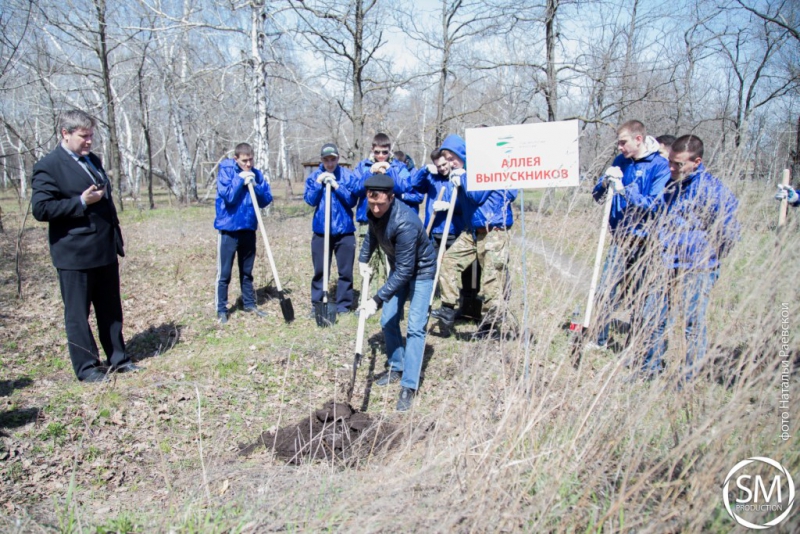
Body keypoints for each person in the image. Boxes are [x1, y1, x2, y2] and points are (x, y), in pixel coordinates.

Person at [31, 109, 140, 383]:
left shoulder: (92, 160)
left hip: (103, 248)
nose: (89, 141)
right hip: (74, 253)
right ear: (65, 134)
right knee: (78, 315)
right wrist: (80, 202)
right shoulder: (49, 166)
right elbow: (41, 208)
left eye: (91, 135)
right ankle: (87, 367)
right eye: (83, 136)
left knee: (111, 309)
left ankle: (118, 358)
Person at [640, 135, 740, 381]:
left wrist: (709, 258)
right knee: (654, 316)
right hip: (666, 262)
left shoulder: (712, 190)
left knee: (692, 324)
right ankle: (649, 368)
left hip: (697, 267)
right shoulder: (672, 184)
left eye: (679, 164)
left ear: (697, 162)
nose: (672, 168)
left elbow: (730, 231)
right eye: (671, 162)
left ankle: (688, 378)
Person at [357, 174, 436, 412]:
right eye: (372, 204)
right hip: (401, 267)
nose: (377, 208)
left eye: (381, 203)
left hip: (420, 272)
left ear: (392, 198)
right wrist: (363, 260)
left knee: (415, 327)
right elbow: (372, 233)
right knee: (387, 320)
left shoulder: (405, 223)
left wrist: (376, 299)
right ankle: (396, 365)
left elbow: (404, 272)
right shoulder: (373, 210)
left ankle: (409, 385)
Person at [589, 120, 671, 349]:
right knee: (605, 289)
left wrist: (626, 192)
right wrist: (605, 181)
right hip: (620, 238)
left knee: (640, 294)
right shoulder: (620, 162)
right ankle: (600, 339)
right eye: (618, 143)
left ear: (638, 139)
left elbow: (655, 204)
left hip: (645, 240)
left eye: (623, 142)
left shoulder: (659, 166)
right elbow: (597, 195)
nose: (620, 148)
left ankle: (638, 344)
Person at [430, 134, 518, 339]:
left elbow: (477, 195)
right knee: (448, 261)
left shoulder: (483, 168)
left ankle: (493, 327)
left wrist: (462, 178)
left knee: (491, 280)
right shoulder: (463, 173)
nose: (450, 163)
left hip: (493, 230)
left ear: (463, 154)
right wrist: (447, 204)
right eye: (447, 159)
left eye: (453, 158)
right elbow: (467, 204)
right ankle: (448, 308)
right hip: (472, 230)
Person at [214, 142, 273, 324]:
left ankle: (249, 303)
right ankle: (221, 309)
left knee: (247, 271)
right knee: (225, 272)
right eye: (244, 161)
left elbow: (265, 200)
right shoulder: (226, 171)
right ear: (236, 159)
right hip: (229, 229)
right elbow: (229, 197)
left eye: (251, 160)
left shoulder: (256, 173)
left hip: (248, 227)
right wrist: (240, 179)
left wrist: (255, 184)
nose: (248, 164)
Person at [304, 143, 358, 314]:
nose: (329, 163)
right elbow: (310, 201)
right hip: (321, 231)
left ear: (337, 159)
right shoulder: (314, 177)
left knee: (345, 272)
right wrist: (319, 185)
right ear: (322, 160)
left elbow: (352, 201)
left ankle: (343, 305)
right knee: (320, 270)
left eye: (333, 159)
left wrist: (337, 186)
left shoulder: (347, 176)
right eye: (326, 160)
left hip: (345, 231)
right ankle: (318, 305)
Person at [353, 134, 422, 218]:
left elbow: (405, 188)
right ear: (372, 149)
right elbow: (355, 190)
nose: (381, 155)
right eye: (377, 152)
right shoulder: (363, 166)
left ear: (390, 150)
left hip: (392, 216)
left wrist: (389, 170)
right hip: (367, 217)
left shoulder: (399, 167)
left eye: (385, 152)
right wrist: (370, 172)